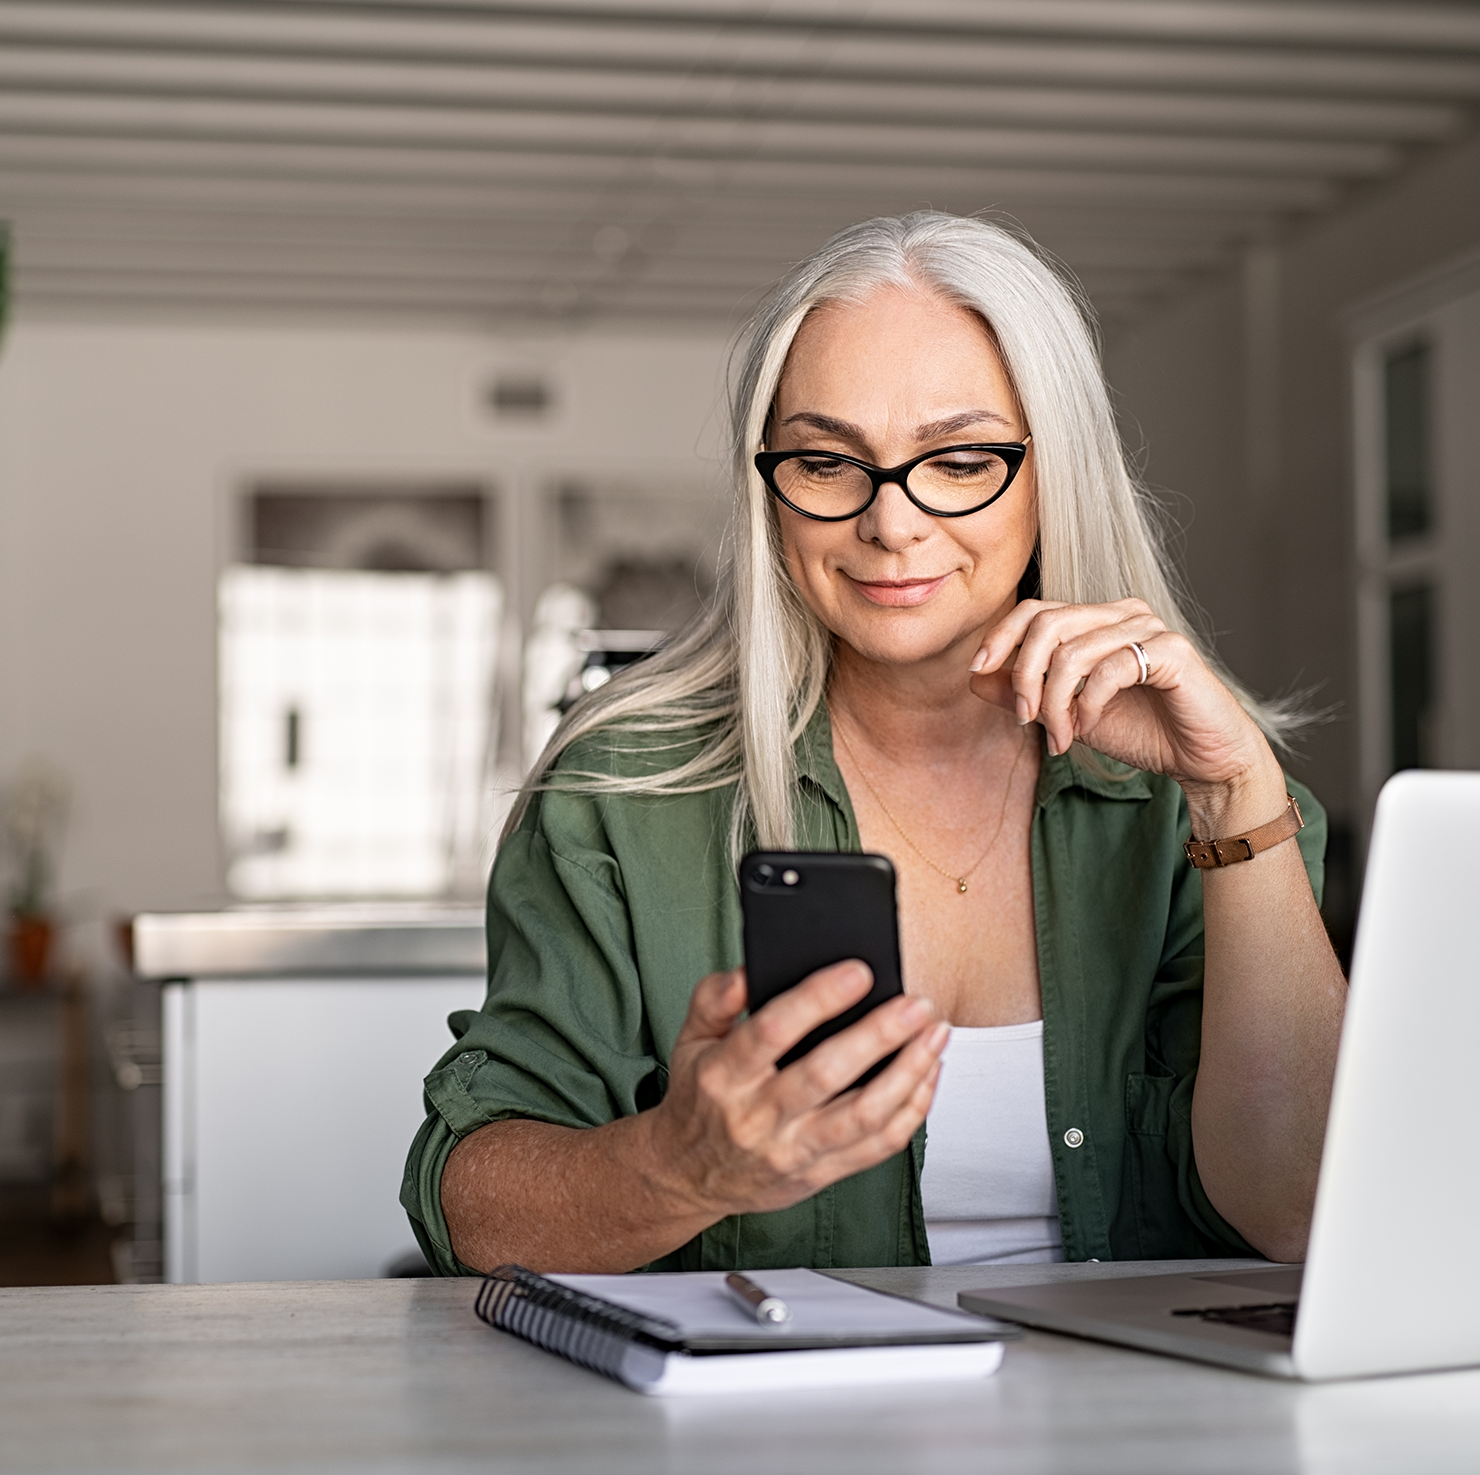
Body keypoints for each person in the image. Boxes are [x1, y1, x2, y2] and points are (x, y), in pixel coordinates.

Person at [401, 212, 1347, 1276]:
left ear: (1053, 471)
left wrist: (1234, 797)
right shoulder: (621, 789)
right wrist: (680, 1166)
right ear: (768, 492)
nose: (889, 523)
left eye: (957, 460)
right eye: (824, 461)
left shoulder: (1208, 803)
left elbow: (1300, 1212)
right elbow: (470, 1208)